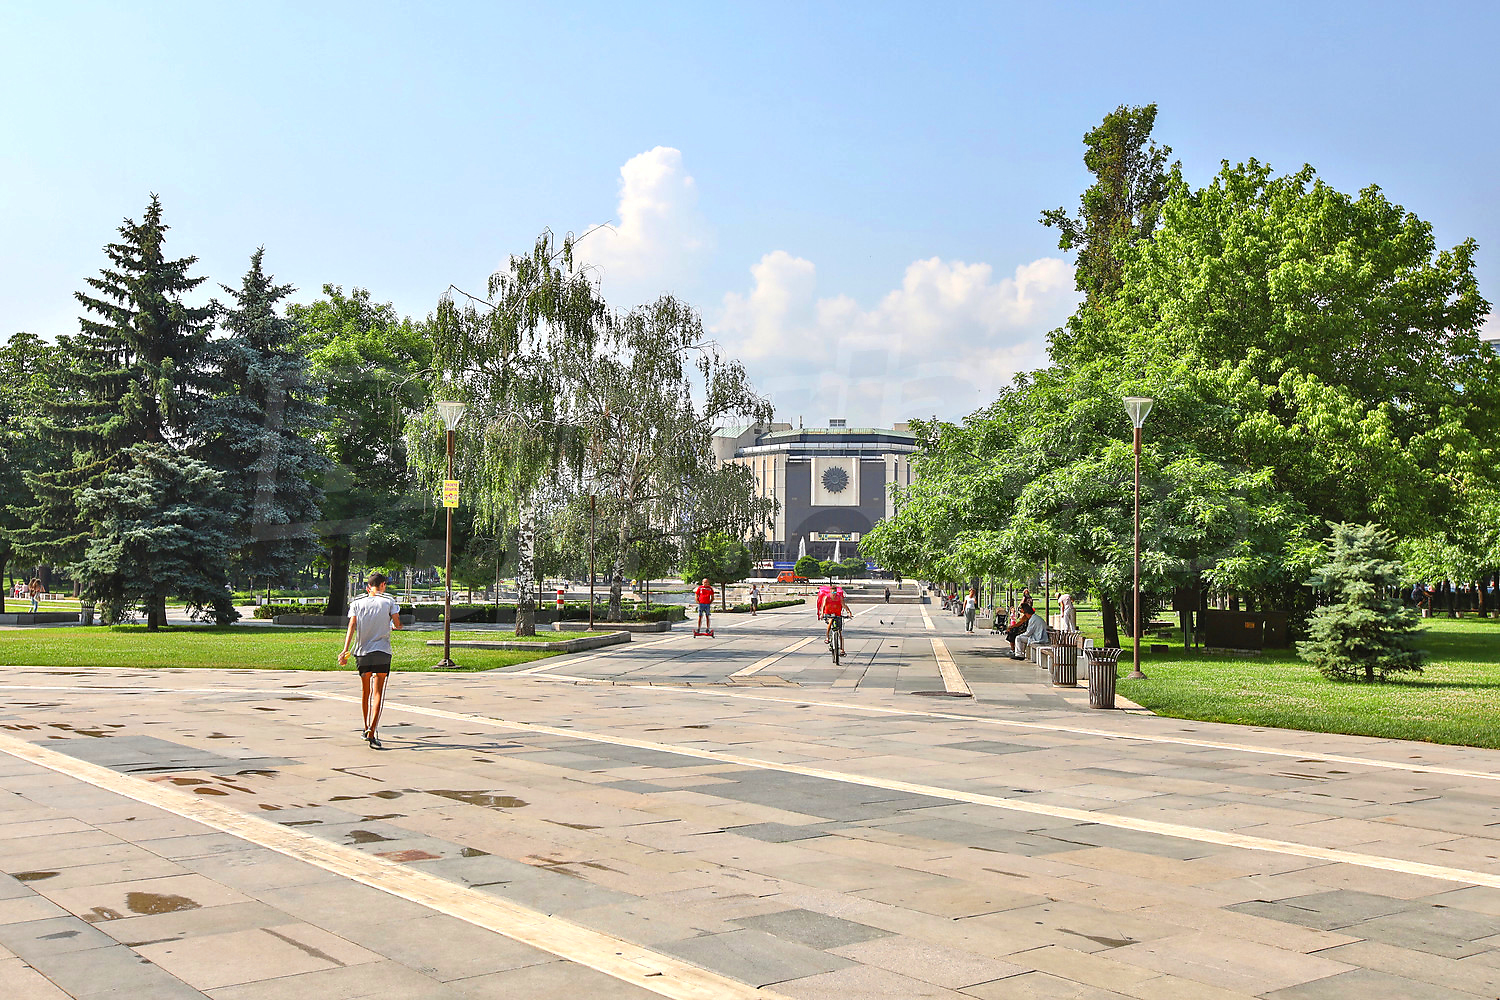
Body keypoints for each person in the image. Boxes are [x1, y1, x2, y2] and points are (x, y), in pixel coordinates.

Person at [338, 572, 404, 748]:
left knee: (365, 691)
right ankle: (372, 731)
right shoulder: (389, 602)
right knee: (378, 692)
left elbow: (352, 626)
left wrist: (345, 650)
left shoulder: (357, 603)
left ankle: (365, 725)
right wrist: (396, 626)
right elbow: (397, 624)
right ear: (383, 585)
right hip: (382, 651)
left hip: (362, 652)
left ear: (368, 587)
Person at [823, 585, 846, 649]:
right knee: (830, 622)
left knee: (840, 632)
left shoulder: (839, 597)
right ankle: (827, 637)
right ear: (830, 592)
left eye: (835, 592)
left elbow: (843, 605)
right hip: (828, 614)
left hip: (837, 614)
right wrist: (822, 614)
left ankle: (842, 649)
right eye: (833, 592)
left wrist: (849, 612)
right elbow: (823, 606)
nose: (834, 594)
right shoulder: (827, 597)